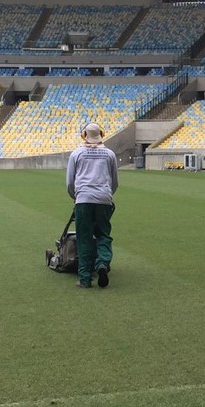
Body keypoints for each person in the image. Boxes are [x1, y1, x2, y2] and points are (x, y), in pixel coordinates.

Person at [66, 123, 118, 289]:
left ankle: (85, 279)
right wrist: (108, 195)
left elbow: (70, 181)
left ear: (84, 135)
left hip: (83, 199)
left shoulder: (77, 154)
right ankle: (102, 264)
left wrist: (76, 197)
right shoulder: (109, 154)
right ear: (101, 134)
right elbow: (114, 181)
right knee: (103, 234)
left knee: (84, 238)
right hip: (104, 198)